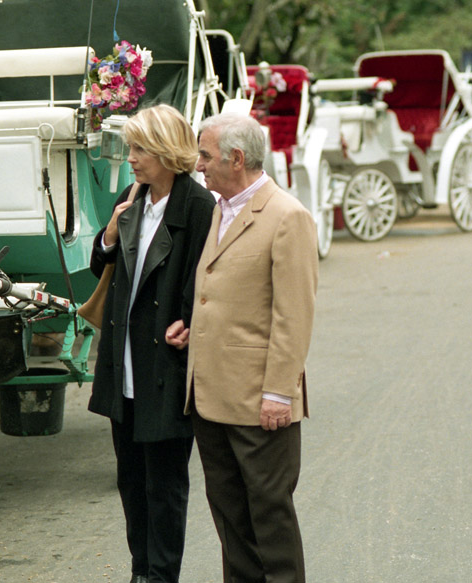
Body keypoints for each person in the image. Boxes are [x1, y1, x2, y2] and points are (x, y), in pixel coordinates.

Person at [166, 113, 318, 582]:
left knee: (269, 520)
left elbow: (294, 316)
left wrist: (278, 392)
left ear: (236, 158)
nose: (198, 166)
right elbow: (226, 292)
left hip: (259, 402)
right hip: (212, 398)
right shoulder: (220, 208)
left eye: (205, 155)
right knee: (232, 523)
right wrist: (195, 328)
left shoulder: (287, 216)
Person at [87, 104, 216, 583]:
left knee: (164, 486)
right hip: (125, 367)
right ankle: (141, 572)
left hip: (166, 366)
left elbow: (209, 285)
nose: (132, 158)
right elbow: (104, 270)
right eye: (131, 148)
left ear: (166, 152)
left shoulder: (199, 209)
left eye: (139, 149)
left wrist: (191, 324)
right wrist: (109, 235)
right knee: (131, 483)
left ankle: (160, 577)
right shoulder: (132, 197)